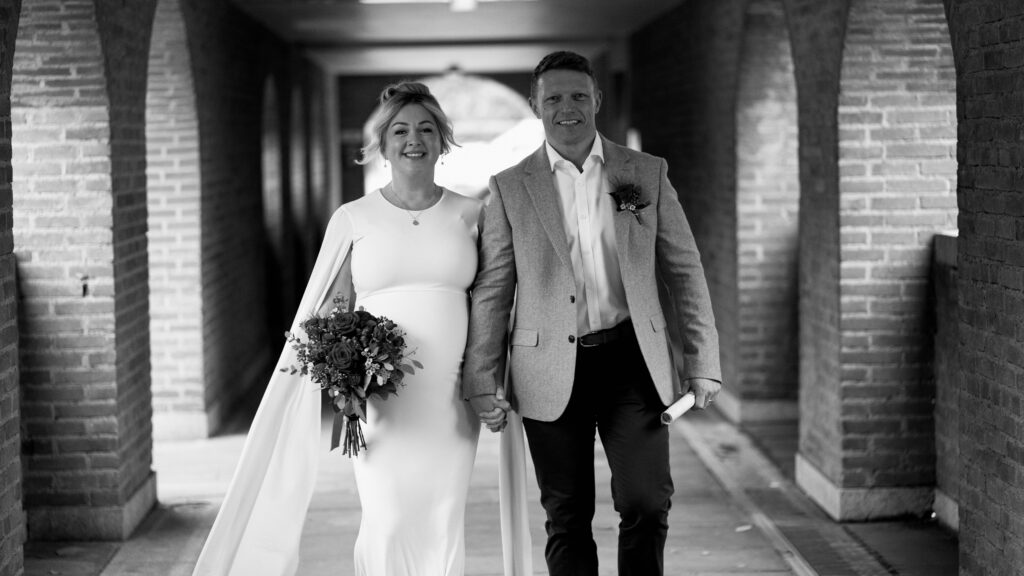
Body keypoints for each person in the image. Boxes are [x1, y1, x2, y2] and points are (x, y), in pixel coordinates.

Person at [192, 81, 507, 576]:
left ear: (443, 141)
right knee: (388, 517)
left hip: (451, 396)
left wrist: (489, 377)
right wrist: (345, 380)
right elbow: (333, 312)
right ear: (380, 144)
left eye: (427, 128)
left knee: (443, 517)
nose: (414, 139)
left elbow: (491, 301)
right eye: (400, 130)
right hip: (378, 395)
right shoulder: (354, 217)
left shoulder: (472, 213)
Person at [463, 51, 723, 576]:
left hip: (634, 362)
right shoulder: (510, 188)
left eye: (578, 96)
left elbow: (684, 270)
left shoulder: (643, 173)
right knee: (567, 516)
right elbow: (493, 290)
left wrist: (703, 360)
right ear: (536, 105)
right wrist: (480, 377)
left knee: (647, 502)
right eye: (553, 98)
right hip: (549, 370)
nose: (567, 108)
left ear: (597, 100)